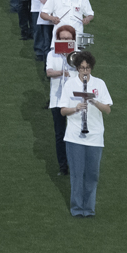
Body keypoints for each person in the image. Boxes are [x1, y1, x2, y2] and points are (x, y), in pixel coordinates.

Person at [60, 51, 111, 217]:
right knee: (76, 174)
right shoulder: (70, 84)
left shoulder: (100, 84)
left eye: (88, 68)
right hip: (74, 137)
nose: (85, 71)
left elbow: (108, 109)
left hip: (95, 136)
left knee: (92, 175)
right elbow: (62, 111)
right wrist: (76, 108)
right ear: (77, 68)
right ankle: (76, 208)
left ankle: (89, 209)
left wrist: (94, 101)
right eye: (82, 68)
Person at [45, 24, 78, 176]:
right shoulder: (52, 54)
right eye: (62, 39)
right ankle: (63, 167)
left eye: (68, 39)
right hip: (57, 100)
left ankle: (76, 164)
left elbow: (84, 73)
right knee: (60, 134)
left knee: (76, 132)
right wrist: (62, 72)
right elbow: (49, 72)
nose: (65, 41)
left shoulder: (79, 55)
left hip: (74, 100)